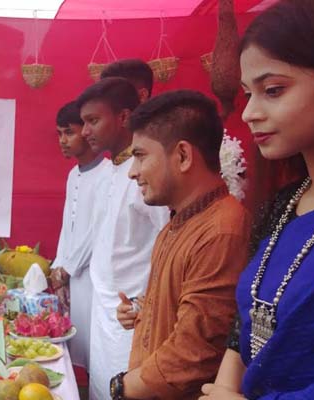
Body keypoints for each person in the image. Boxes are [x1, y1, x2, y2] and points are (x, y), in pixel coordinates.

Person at [201, 1, 314, 399]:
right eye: (247, 94)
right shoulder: (284, 204)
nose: (250, 113)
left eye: (273, 90)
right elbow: (251, 321)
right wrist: (224, 385)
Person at [108, 91, 250, 399]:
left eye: (141, 155)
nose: (132, 171)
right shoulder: (177, 223)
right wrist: (143, 312)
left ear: (183, 156)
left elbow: (193, 352)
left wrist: (122, 387)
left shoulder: (221, 231)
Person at [77, 77, 169, 399]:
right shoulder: (110, 171)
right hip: (102, 312)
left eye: (93, 120)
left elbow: (168, 240)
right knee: (100, 388)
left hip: (131, 319)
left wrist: (148, 304)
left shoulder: (146, 173)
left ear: (124, 117)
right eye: (84, 122)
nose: (85, 131)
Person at [46, 101, 108, 371]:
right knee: (74, 344)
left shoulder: (108, 174)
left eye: (68, 132)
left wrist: (68, 268)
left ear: (86, 131)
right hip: (70, 275)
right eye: (59, 134)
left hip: (94, 278)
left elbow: (98, 232)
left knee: (97, 351)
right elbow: (67, 227)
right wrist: (58, 267)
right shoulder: (73, 175)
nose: (63, 141)